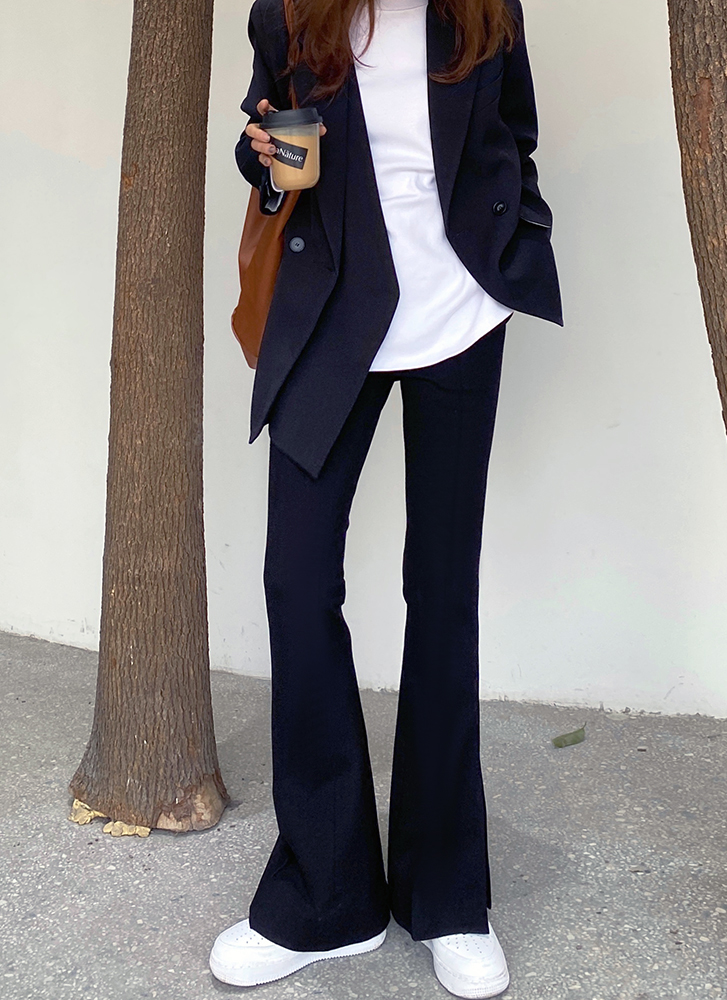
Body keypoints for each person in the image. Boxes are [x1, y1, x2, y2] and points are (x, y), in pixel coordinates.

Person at [210, 0, 561, 995]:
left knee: (442, 592)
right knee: (296, 582)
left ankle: (448, 895)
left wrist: (516, 236)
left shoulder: (486, 12)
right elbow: (263, 141)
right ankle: (325, 898)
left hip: (459, 320)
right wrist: (266, 160)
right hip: (333, 315)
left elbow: (515, 135)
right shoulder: (290, 13)